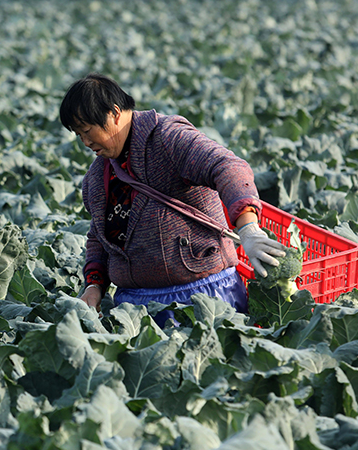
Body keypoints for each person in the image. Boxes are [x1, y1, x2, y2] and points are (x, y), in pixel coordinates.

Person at [60, 74, 288, 323]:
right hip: (136, 310)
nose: (85, 142)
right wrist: (94, 285)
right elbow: (98, 236)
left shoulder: (168, 138)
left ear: (114, 113)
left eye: (86, 131)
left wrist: (249, 229)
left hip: (205, 298)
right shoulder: (96, 177)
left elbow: (227, 167)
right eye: (78, 135)